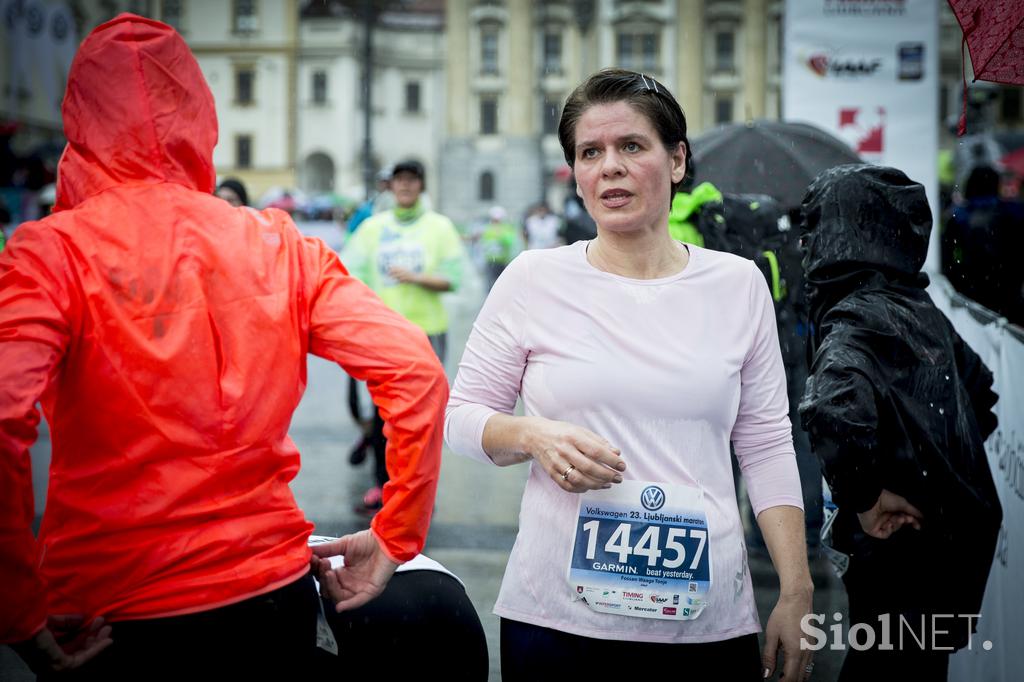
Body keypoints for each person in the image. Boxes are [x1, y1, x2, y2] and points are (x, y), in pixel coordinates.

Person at [0, 15, 448, 677]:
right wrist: (394, 538)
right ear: (199, 117)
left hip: (107, 607)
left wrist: (17, 608)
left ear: (80, 123)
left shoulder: (52, 251)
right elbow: (416, 373)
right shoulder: (279, 243)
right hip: (269, 593)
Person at [445, 68, 813, 681]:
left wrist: (797, 591)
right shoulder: (533, 279)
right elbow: (460, 418)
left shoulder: (737, 284)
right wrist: (534, 435)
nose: (609, 167)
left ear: (677, 161)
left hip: (707, 621)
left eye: (631, 146)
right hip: (557, 619)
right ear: (576, 175)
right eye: (590, 152)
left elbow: (767, 441)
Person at [798, 164, 1002, 681]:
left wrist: (867, 497)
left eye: (817, 224)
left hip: (898, 547)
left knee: (883, 667)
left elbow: (833, 412)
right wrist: (936, 469)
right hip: (952, 543)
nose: (806, 241)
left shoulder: (856, 316)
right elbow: (982, 396)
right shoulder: (918, 306)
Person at [341, 158, 464, 511]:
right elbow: (350, 276)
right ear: (391, 187)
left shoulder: (438, 228)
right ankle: (382, 484)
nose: (405, 186)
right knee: (384, 413)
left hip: (426, 332)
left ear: (421, 186)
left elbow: (452, 277)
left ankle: (415, 487)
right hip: (383, 334)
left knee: (420, 415)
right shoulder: (372, 229)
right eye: (400, 181)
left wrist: (417, 277)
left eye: (412, 180)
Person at [479, 205, 522, 289]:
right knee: (492, 285)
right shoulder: (487, 228)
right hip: (491, 260)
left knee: (501, 284)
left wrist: (501, 235)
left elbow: (510, 242)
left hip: (502, 261)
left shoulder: (506, 228)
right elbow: (483, 243)